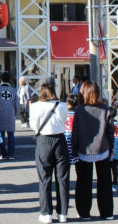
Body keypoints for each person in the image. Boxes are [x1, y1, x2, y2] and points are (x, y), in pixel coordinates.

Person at [70, 81, 115, 220]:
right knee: (105, 182)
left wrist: (74, 149)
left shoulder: (79, 110)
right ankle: (107, 212)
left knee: (83, 182)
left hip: (84, 149)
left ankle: (84, 212)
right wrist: (111, 148)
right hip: (103, 148)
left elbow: (75, 132)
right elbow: (110, 131)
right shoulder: (105, 109)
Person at [31, 77, 70, 224]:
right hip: (60, 140)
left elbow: (33, 125)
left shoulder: (35, 106)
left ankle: (46, 213)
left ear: (41, 89)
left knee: (44, 178)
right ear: (55, 88)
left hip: (43, 140)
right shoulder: (62, 105)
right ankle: (62, 214)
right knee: (62, 178)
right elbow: (64, 121)